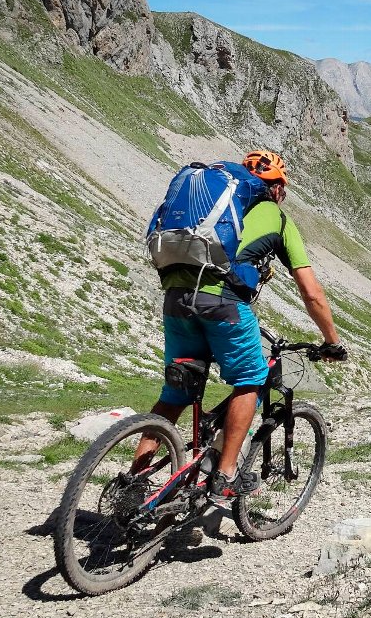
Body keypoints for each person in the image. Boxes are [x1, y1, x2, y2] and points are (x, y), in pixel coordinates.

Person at [136, 149, 346, 499]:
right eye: (283, 189)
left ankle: (133, 481)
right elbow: (312, 293)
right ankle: (227, 474)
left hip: (175, 298)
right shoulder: (277, 218)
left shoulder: (213, 200)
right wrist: (332, 342)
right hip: (223, 304)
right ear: (277, 189)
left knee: (176, 391)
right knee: (251, 379)